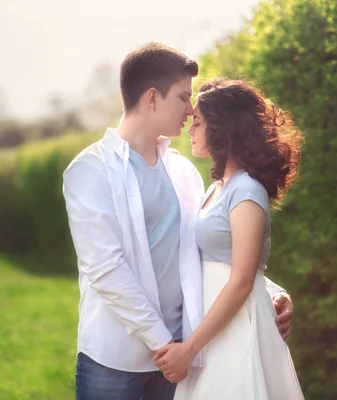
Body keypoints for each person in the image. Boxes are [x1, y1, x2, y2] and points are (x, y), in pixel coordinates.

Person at [62, 43, 294, 400]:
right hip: (116, 358)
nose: (190, 110)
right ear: (152, 98)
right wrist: (166, 345)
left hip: (182, 357)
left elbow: (211, 255)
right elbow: (106, 268)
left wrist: (272, 294)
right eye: (184, 98)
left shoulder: (184, 173)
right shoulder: (89, 171)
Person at [154, 78, 306, 399]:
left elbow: (241, 280)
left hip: (235, 331)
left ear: (223, 129)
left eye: (197, 122)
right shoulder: (218, 188)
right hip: (214, 330)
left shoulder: (246, 192)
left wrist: (189, 347)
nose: (190, 131)